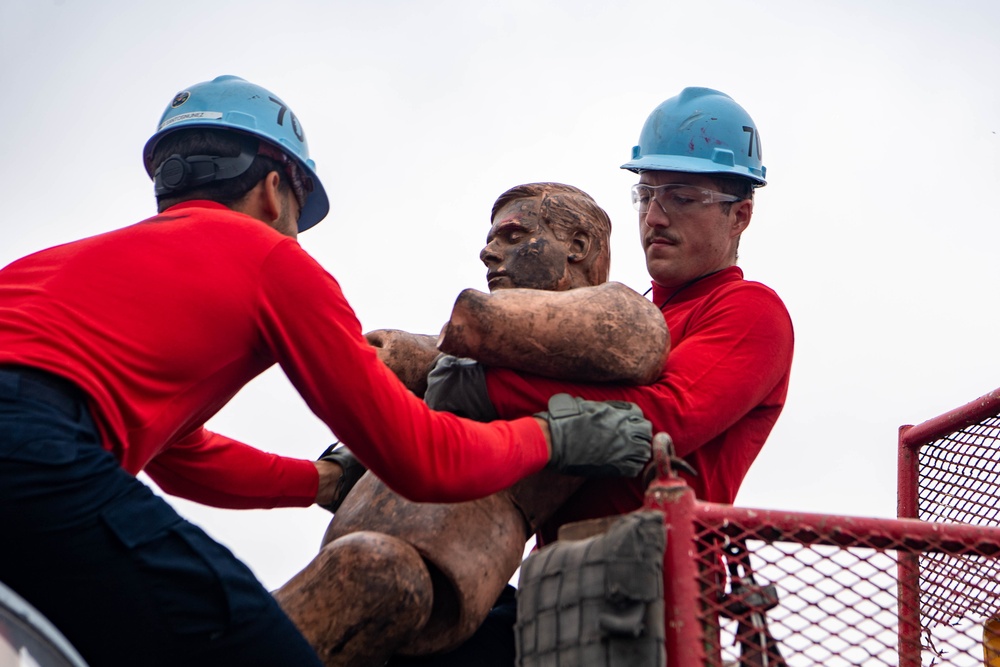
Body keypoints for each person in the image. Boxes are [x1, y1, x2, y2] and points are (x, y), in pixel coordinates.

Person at [0, 75, 654, 667]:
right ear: (274, 185)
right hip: (32, 446)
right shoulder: (270, 262)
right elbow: (420, 458)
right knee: (252, 642)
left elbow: (179, 454)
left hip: (37, 449)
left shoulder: (60, 266)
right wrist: (552, 436)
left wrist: (320, 481)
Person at [391, 86, 795, 664]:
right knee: (406, 623)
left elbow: (662, 420)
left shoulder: (748, 311)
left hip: (650, 601)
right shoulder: (627, 316)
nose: (654, 217)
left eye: (680, 196)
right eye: (646, 194)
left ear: (741, 214)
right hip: (557, 584)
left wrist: (486, 387)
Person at [276, 182, 669, 667]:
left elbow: (628, 338)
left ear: (578, 247)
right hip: (359, 548)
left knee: (373, 574)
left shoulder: (620, 315)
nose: (488, 252)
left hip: (435, 568)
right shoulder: (493, 355)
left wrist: (434, 356)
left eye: (512, 236)